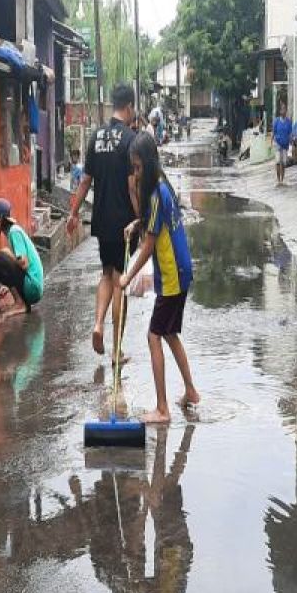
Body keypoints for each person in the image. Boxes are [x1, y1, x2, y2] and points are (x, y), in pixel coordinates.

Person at [119, 133, 199, 423]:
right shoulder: (162, 188)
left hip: (172, 274)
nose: (136, 174)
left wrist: (127, 276)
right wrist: (135, 222)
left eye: (138, 168)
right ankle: (190, 391)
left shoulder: (155, 195)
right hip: (179, 270)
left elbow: (149, 245)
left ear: (149, 165)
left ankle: (162, 409)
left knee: (154, 335)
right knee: (168, 333)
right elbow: (153, 223)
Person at [68, 84, 138, 358]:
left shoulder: (96, 136)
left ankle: (97, 323)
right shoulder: (131, 139)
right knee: (121, 280)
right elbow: (133, 187)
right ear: (129, 107)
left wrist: (73, 213)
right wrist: (142, 218)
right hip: (124, 222)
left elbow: (85, 181)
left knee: (106, 274)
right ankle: (117, 350)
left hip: (101, 219)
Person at [0, 197, 43, 316]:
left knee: (0, 257)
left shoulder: (14, 232)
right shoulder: (12, 231)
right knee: (2, 257)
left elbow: (24, 263)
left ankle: (20, 303)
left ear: (0, 218)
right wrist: (7, 286)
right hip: (32, 286)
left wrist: (7, 253)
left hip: (33, 287)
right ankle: (17, 299)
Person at [272, 102, 294, 186]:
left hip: (285, 144)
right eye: (282, 109)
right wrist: (271, 143)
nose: (283, 111)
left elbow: (290, 133)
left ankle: (282, 179)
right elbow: (273, 132)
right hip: (277, 143)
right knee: (278, 161)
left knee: (284, 163)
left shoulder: (288, 122)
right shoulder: (276, 121)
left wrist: (292, 142)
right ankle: (278, 180)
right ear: (280, 111)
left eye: (285, 109)